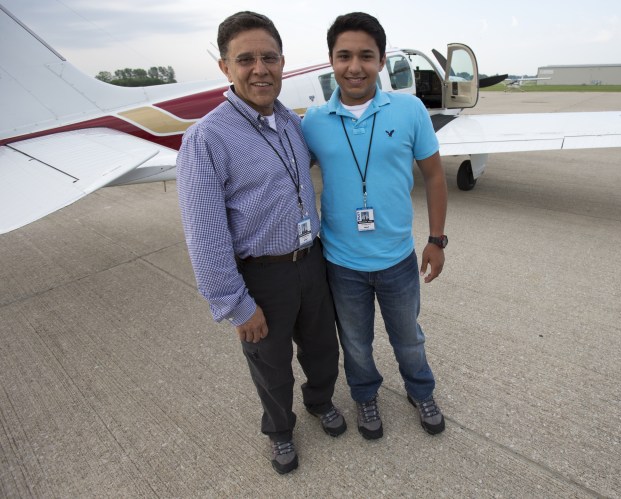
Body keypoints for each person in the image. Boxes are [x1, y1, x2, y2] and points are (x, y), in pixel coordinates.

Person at [176, 11, 345, 475]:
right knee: (270, 363)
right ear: (225, 68)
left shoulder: (290, 121)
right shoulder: (206, 138)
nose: (259, 69)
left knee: (321, 348)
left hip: (311, 262)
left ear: (282, 62)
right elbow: (205, 232)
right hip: (261, 275)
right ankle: (280, 429)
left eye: (268, 58)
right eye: (245, 59)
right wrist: (234, 302)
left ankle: (320, 401)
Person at [301, 12, 449, 440]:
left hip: (398, 259)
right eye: (344, 55)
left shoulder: (409, 110)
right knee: (356, 345)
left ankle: (420, 390)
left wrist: (436, 240)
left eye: (366, 55)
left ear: (381, 61)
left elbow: (435, 176)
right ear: (331, 60)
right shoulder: (313, 122)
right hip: (342, 264)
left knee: (409, 339)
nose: (355, 66)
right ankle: (365, 395)